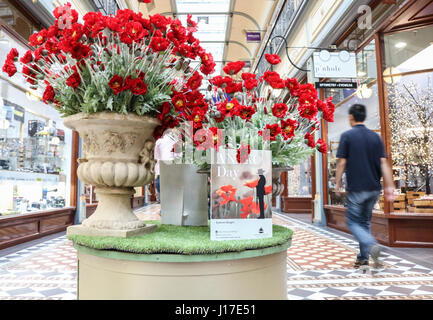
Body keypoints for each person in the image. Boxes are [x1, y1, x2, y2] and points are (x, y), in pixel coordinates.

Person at [335, 104, 395, 269]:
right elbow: (383, 162)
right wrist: (389, 185)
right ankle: (363, 258)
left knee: (353, 222)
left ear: (351, 117)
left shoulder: (347, 136)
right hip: (374, 189)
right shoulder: (375, 137)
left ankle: (371, 244)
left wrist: (337, 183)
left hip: (357, 189)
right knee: (364, 223)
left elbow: (341, 163)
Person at [154, 128, 179, 203]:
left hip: (161, 170)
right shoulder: (176, 142)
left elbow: (156, 156)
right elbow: (179, 157)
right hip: (171, 170)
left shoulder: (159, 141)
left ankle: (164, 207)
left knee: (161, 188)